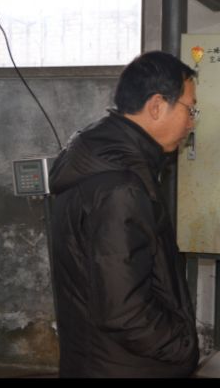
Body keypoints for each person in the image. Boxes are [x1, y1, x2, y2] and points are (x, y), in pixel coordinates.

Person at [48, 51, 200, 377]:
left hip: (102, 360)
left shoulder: (107, 164)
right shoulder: (119, 187)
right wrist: (182, 346)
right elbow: (123, 310)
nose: (191, 123)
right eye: (190, 109)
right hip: (124, 366)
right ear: (156, 106)